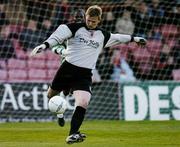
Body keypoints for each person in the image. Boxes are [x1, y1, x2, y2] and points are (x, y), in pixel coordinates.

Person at [30, 5, 146, 144]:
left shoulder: (103, 35)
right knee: (50, 95)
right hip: (67, 69)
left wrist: (136, 38)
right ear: (86, 17)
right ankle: (60, 112)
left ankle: (72, 134)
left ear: (99, 20)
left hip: (84, 74)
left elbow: (119, 37)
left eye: (93, 21)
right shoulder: (74, 27)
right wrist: (44, 45)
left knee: (83, 102)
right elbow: (57, 36)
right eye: (88, 20)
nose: (90, 23)